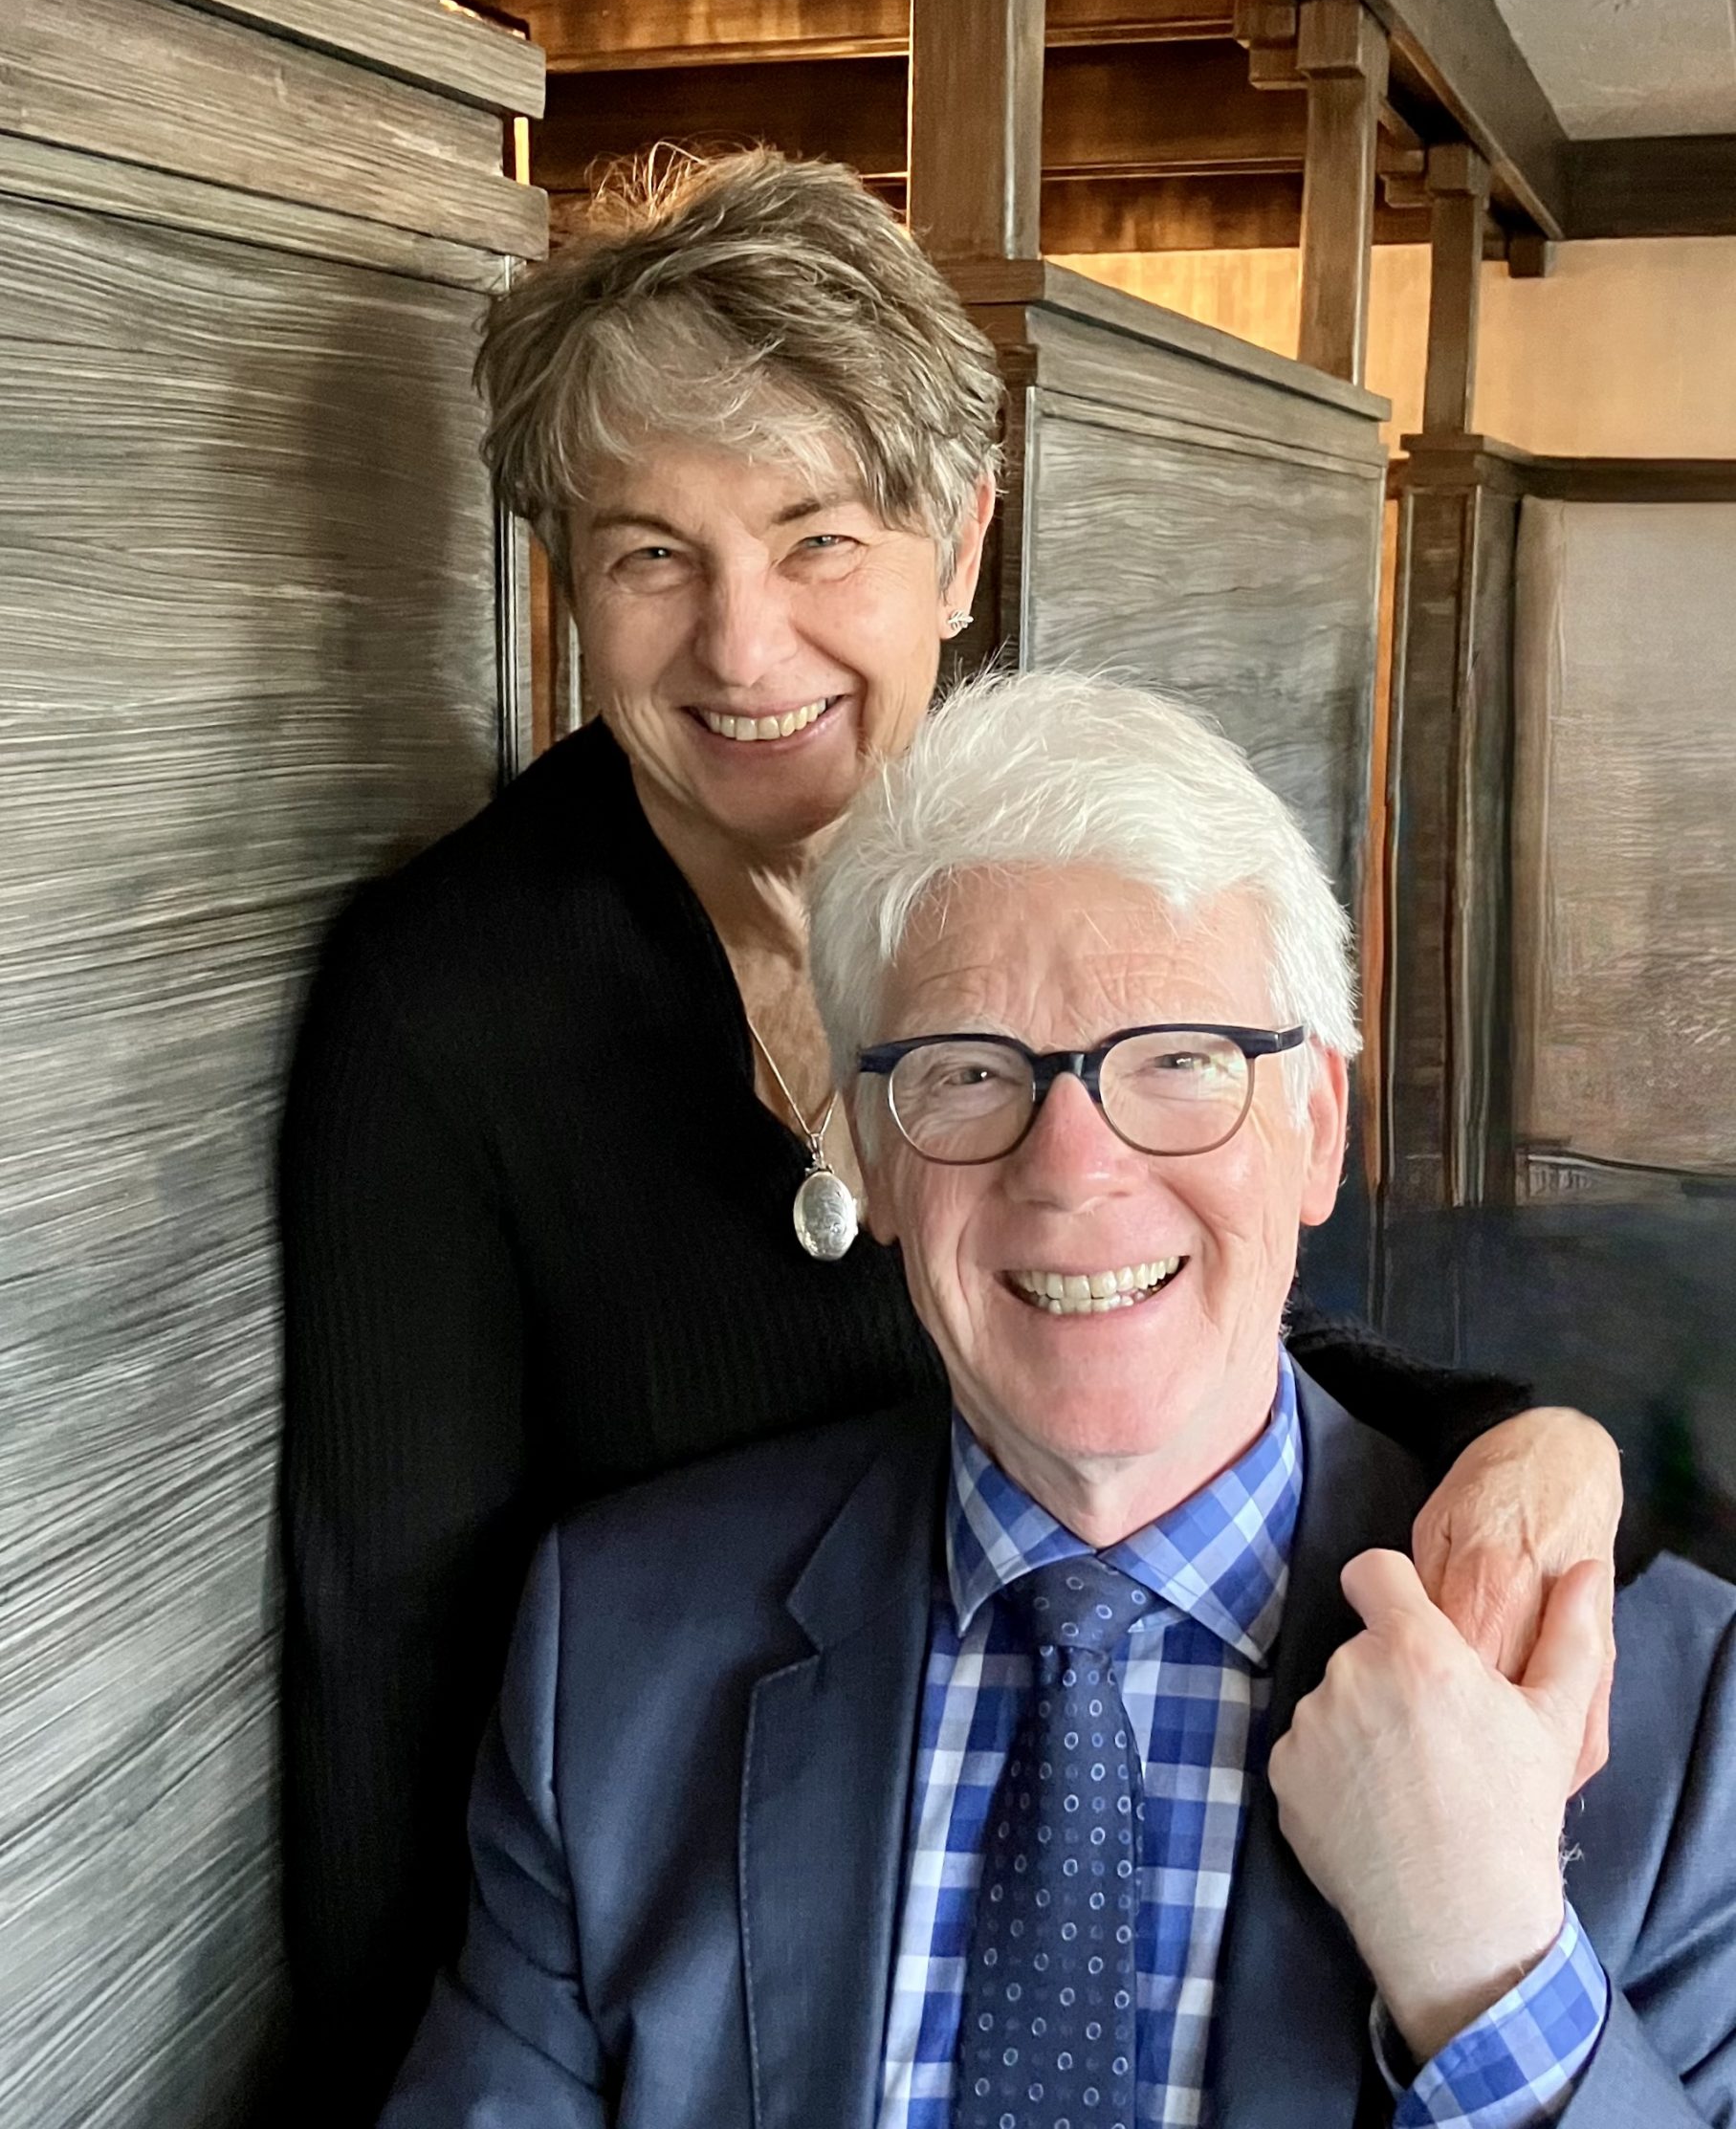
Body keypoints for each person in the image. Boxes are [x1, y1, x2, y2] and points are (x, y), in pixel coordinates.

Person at [278, 153, 1620, 2117]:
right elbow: (392, 1650)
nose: (742, 647)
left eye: (818, 538)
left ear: (962, 539)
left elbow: (1167, 1308)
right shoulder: (452, 1000)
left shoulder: (1068, 875)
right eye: (649, 556)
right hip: (686, 1900)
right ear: (565, 581)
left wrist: (1532, 1429)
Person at [381, 673, 1736, 2129]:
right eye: (968, 1073)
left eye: (1180, 1062)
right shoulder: (617, 1656)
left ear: (1317, 1127)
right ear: (872, 1160)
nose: (1073, 1169)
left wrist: (1489, 1973)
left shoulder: (1675, 1706)